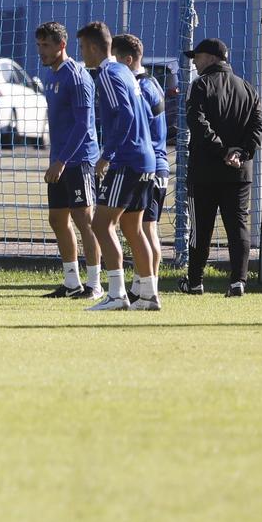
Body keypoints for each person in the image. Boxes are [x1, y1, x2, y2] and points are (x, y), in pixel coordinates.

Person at [77, 21, 161, 311]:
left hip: (126, 160)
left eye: (82, 48)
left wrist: (106, 156)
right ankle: (149, 294)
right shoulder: (125, 71)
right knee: (132, 227)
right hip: (146, 158)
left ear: (91, 47)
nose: (82, 54)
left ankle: (116, 295)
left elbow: (124, 115)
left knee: (101, 224)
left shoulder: (108, 75)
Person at [182, 38, 262, 296]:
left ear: (212, 58)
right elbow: (257, 128)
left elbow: (196, 121)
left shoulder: (201, 85)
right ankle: (238, 281)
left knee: (200, 228)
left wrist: (221, 150)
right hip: (239, 171)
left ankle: (195, 281)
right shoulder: (248, 88)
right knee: (238, 226)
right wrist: (240, 152)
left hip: (205, 171)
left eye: (197, 56)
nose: (194, 61)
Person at [34, 21, 100, 299]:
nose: (41, 51)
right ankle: (72, 282)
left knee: (86, 221)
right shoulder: (52, 76)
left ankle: (95, 284)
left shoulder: (76, 76)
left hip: (79, 160)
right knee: (57, 218)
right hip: (59, 159)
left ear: (62, 45)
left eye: (46, 45)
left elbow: (84, 125)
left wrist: (61, 160)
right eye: (38, 46)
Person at [113, 34, 170, 283]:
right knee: (145, 228)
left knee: (146, 229)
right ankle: (143, 284)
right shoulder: (152, 83)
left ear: (127, 60)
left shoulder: (141, 88)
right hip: (157, 164)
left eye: (114, 60)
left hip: (151, 166)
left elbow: (139, 127)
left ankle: (148, 285)